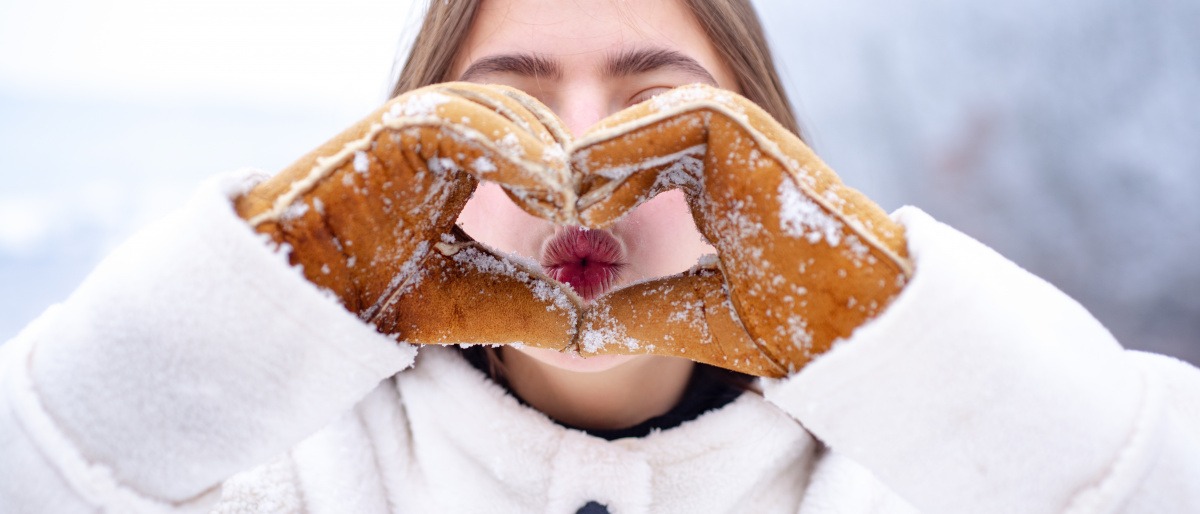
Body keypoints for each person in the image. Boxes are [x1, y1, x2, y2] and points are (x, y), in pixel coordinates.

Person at [1, 0, 1197, 513]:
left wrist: (881, 323)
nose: (576, 160)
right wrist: (281, 276)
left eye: (657, 106)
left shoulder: (924, 478)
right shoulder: (283, 477)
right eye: (499, 112)